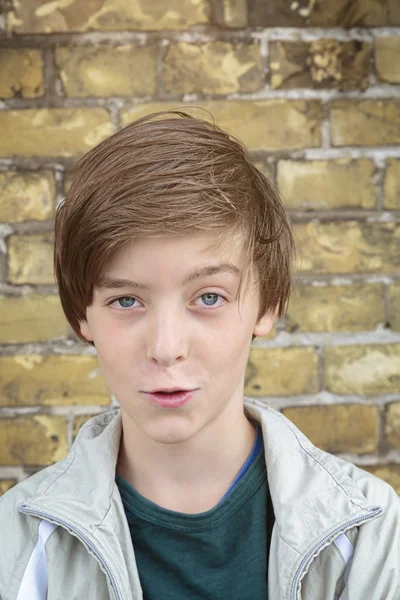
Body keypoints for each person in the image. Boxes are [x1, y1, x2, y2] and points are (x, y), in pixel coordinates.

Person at [0, 110, 399, 600]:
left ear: (267, 305)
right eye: (126, 301)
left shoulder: (370, 532)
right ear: (82, 315)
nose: (167, 349)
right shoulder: (15, 544)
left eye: (209, 297)